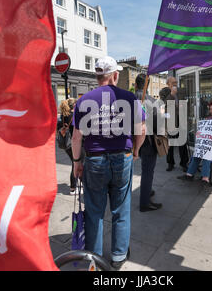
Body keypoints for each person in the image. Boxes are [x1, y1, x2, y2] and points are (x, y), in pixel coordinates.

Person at [71, 56, 146, 270]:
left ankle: (94, 257)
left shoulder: (84, 100)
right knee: (121, 208)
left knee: (94, 211)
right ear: (114, 75)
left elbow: (77, 137)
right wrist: (136, 150)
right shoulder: (129, 97)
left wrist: (77, 162)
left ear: (97, 76)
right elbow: (141, 129)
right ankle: (119, 254)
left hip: (94, 160)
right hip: (122, 157)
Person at [134, 74, 163, 212]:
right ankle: (144, 203)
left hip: (131, 140)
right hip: (148, 140)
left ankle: (147, 190)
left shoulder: (127, 99)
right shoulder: (152, 100)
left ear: (135, 84)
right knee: (147, 171)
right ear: (148, 85)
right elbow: (158, 122)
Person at [164, 77, 189, 172]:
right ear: (168, 84)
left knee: (182, 143)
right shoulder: (164, 93)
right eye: (173, 82)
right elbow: (164, 106)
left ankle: (184, 164)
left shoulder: (181, 92)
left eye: (176, 82)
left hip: (181, 121)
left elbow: (186, 105)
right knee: (170, 144)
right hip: (171, 122)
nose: (175, 84)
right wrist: (171, 95)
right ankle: (170, 163)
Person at [58, 98, 79, 194]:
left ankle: (75, 185)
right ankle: (73, 188)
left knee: (75, 163)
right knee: (75, 164)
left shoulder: (63, 116)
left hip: (65, 143)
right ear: (73, 105)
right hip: (72, 143)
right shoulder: (73, 116)